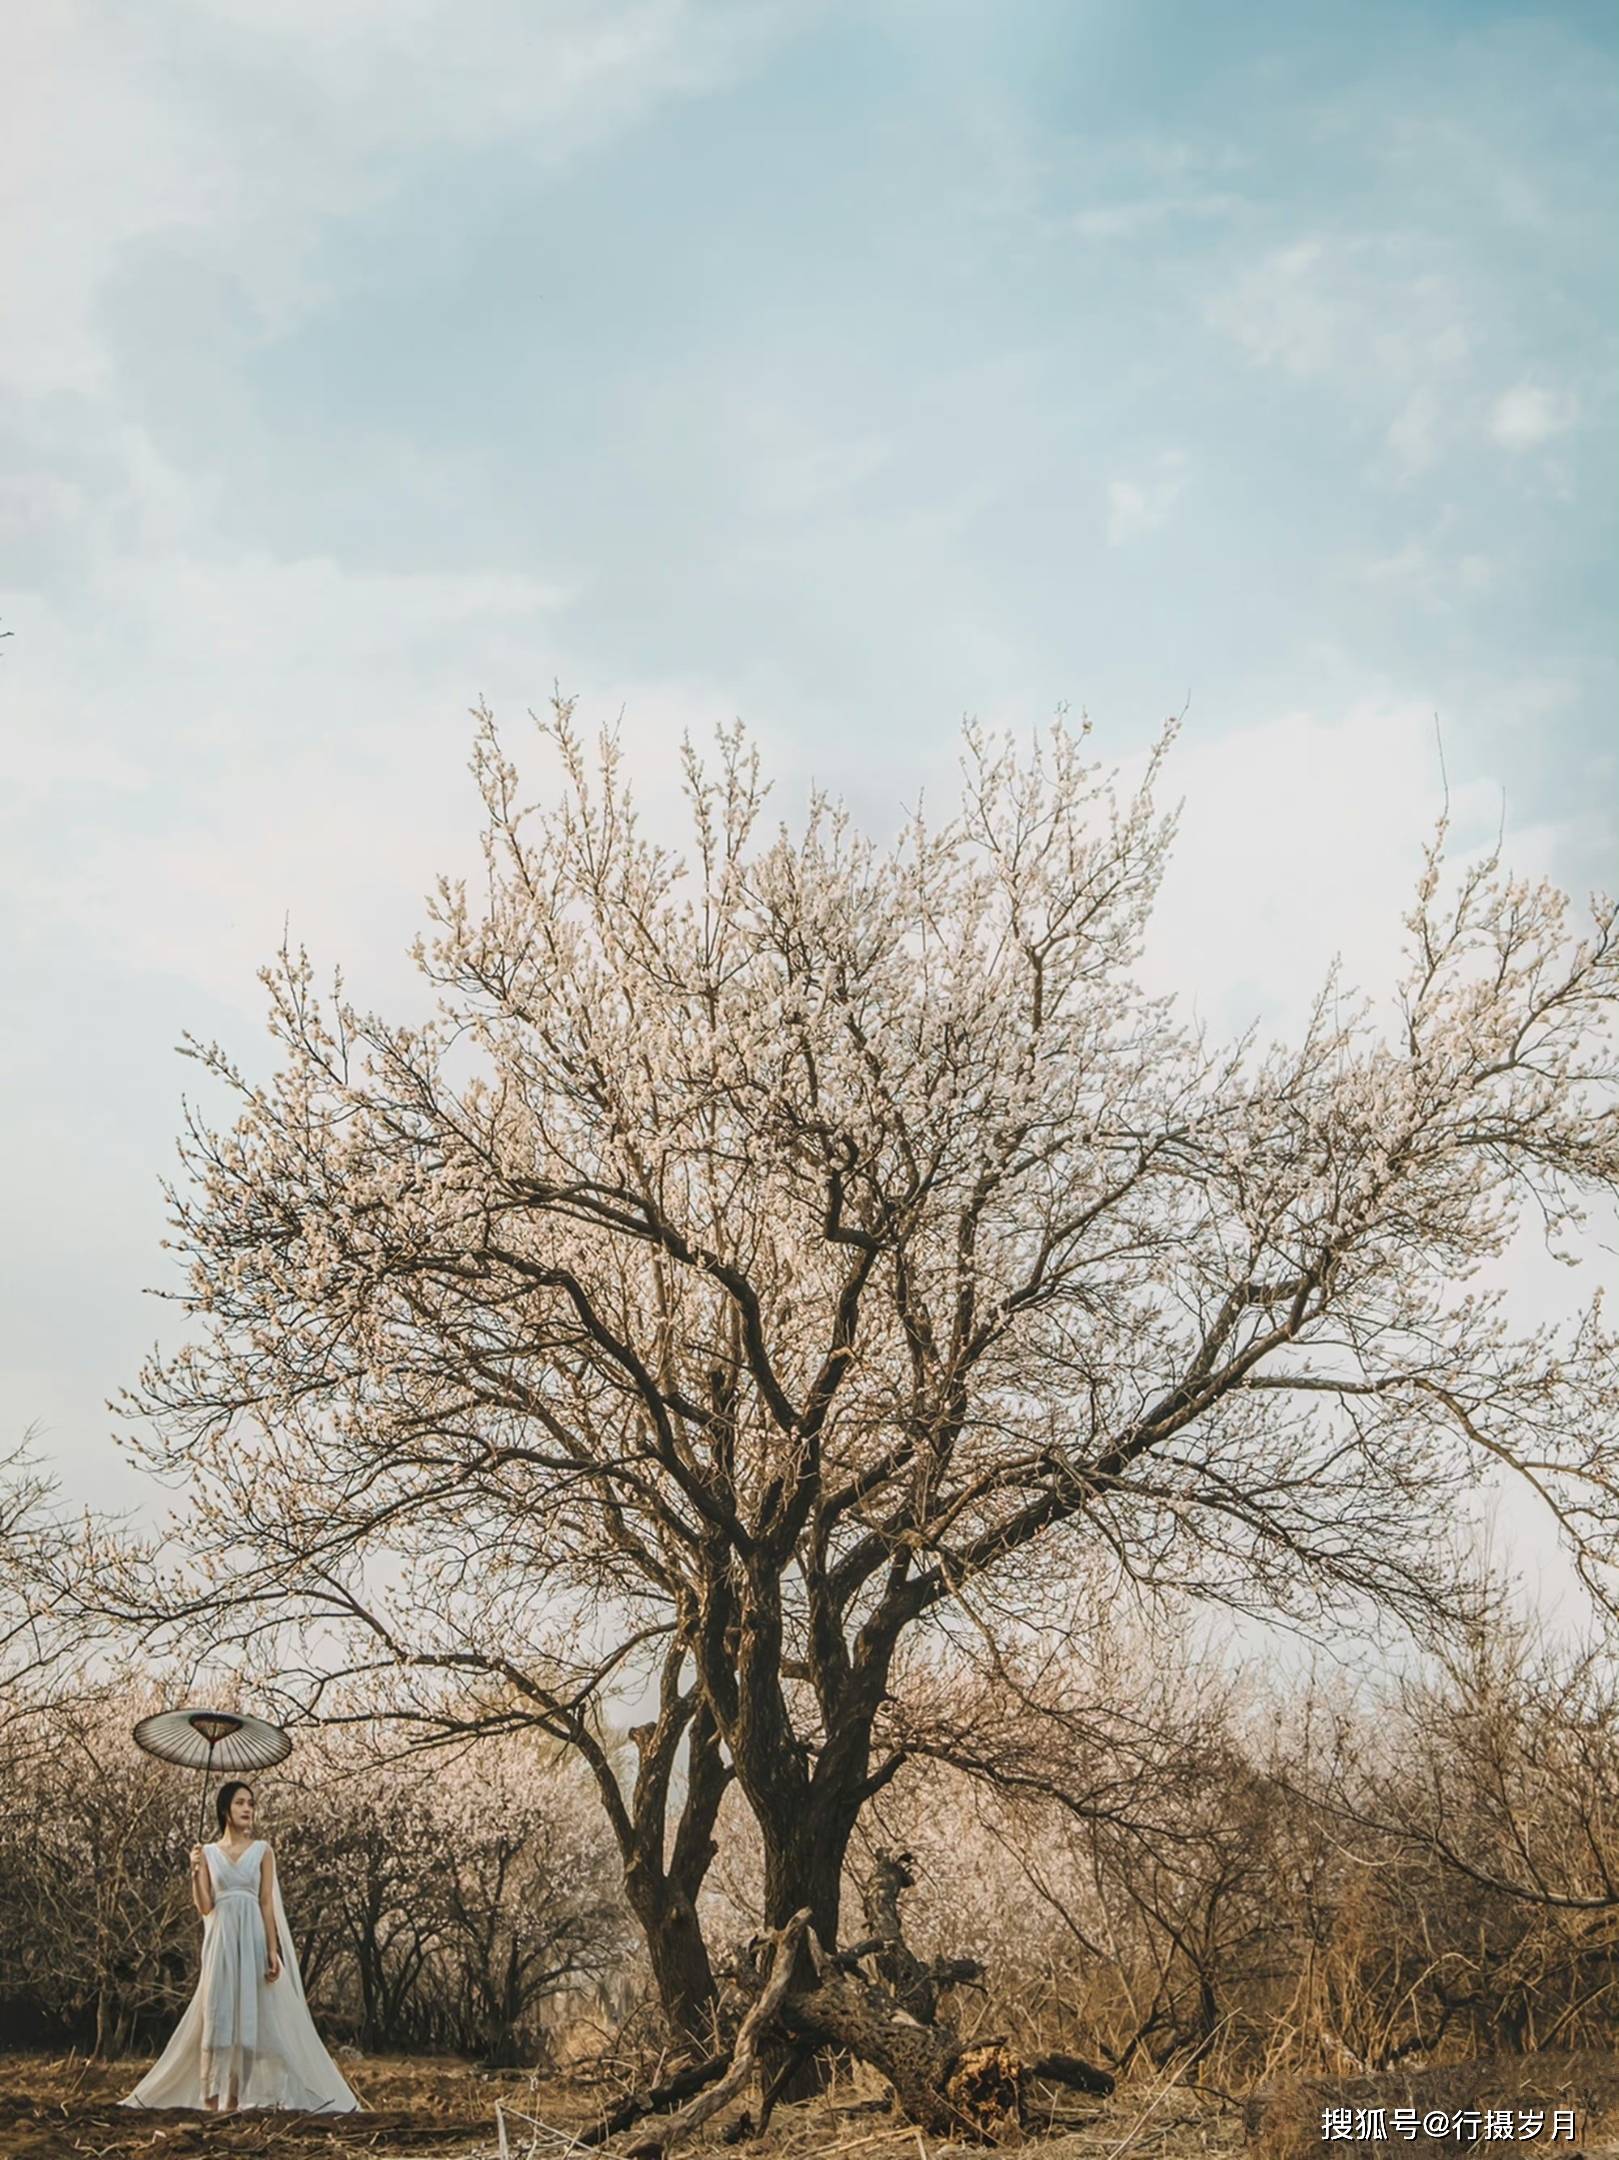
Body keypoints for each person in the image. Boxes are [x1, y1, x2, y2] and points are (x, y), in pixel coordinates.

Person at [122, 1780, 359, 2114]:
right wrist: (194, 1872)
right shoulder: (206, 1853)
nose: (248, 1809)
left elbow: (266, 1903)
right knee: (216, 2017)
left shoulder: (263, 1851)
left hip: (253, 1938)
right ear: (225, 1810)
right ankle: (208, 2100)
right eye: (240, 1803)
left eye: (251, 1803)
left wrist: (272, 1951)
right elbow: (205, 1906)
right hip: (220, 1939)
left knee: (247, 2022)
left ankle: (233, 2101)